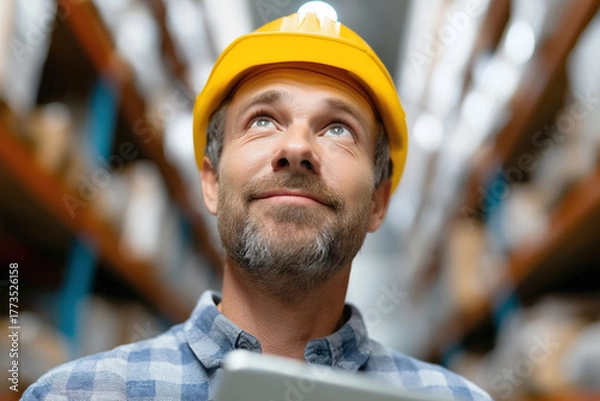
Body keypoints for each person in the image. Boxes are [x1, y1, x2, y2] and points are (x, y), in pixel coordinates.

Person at [23, 12, 492, 401]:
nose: (297, 147)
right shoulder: (74, 395)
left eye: (338, 129)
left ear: (378, 201)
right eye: (263, 120)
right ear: (211, 180)